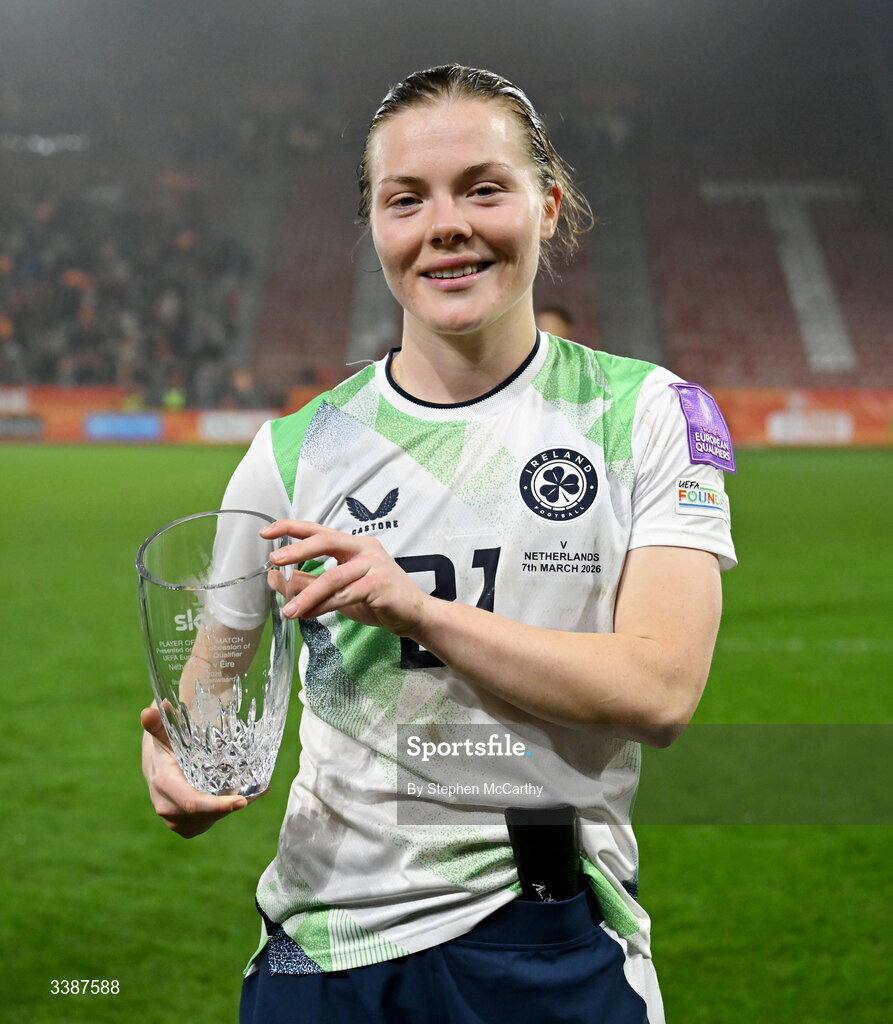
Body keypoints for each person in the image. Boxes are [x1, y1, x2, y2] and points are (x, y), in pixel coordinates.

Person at [141, 64, 737, 1024]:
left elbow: (658, 690)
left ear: (547, 206)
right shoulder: (293, 451)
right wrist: (183, 761)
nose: (444, 224)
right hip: (319, 947)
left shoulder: (647, 414)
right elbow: (210, 685)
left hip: (544, 940)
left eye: (482, 188)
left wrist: (414, 607)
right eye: (405, 199)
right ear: (376, 227)